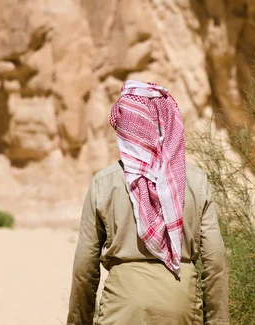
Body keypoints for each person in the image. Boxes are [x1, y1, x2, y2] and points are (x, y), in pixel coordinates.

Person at [66, 80, 229, 325]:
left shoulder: (104, 182)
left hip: (122, 309)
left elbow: (84, 269)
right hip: (181, 307)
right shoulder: (196, 182)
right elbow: (215, 262)